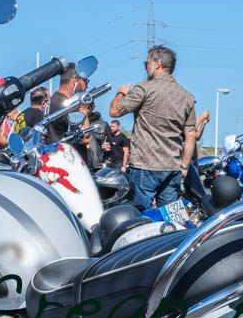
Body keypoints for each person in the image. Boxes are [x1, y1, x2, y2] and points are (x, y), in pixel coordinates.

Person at [109, 45, 198, 210]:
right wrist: (184, 166)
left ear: (157, 63)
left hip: (144, 166)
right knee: (171, 217)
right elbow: (190, 136)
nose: (145, 67)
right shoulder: (187, 97)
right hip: (172, 167)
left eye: (146, 63)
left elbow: (114, 111)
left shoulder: (145, 88)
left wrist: (121, 93)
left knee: (141, 217)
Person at [46, 65, 87, 144]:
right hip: (64, 152)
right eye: (84, 80)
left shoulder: (53, 100)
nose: (86, 84)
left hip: (53, 150)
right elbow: (86, 136)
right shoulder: (68, 105)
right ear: (75, 79)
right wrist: (83, 109)